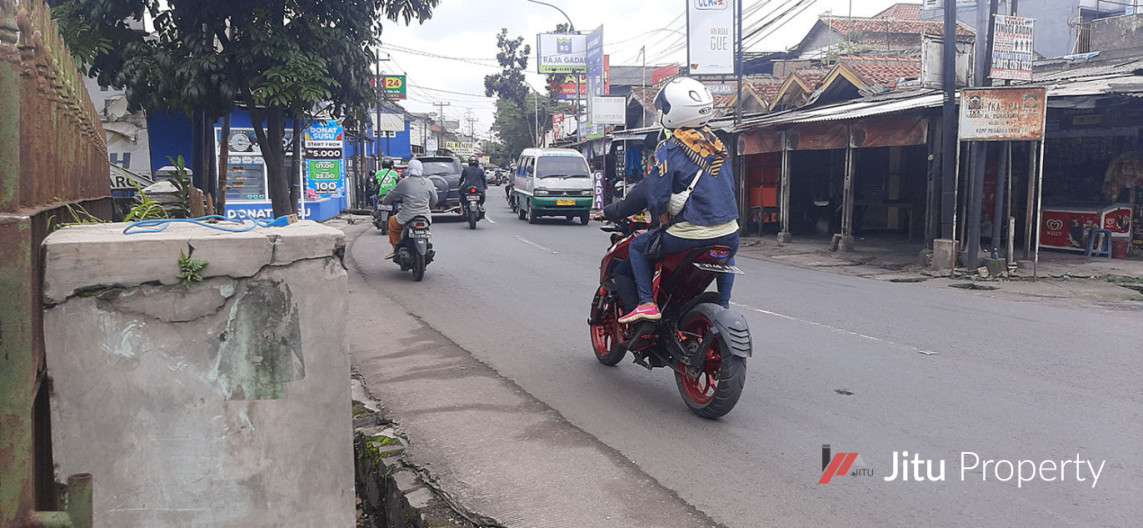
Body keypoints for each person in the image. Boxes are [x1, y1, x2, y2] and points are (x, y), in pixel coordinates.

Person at [619, 77, 740, 324]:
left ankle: (647, 303)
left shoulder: (670, 148)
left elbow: (657, 192)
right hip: (731, 232)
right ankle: (724, 303)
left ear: (674, 111)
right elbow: (729, 186)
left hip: (689, 234)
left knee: (638, 247)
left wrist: (661, 215)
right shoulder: (718, 144)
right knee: (725, 250)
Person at [382, 159, 438, 259]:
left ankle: (395, 248)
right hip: (425, 216)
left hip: (406, 216)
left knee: (392, 222)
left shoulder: (404, 183)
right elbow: (434, 200)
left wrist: (385, 201)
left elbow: (391, 196)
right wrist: (430, 206)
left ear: (409, 169)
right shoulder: (428, 182)